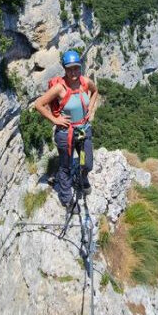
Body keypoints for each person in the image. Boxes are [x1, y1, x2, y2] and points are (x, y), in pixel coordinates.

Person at [33, 50, 99, 208]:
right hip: (66, 133)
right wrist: (55, 120)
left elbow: (95, 91)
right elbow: (39, 104)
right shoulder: (59, 88)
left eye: (76, 68)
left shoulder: (85, 82)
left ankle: (82, 177)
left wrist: (90, 108)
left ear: (80, 67)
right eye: (70, 69)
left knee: (86, 162)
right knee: (66, 167)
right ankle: (67, 198)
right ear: (64, 69)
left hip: (82, 130)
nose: (73, 72)